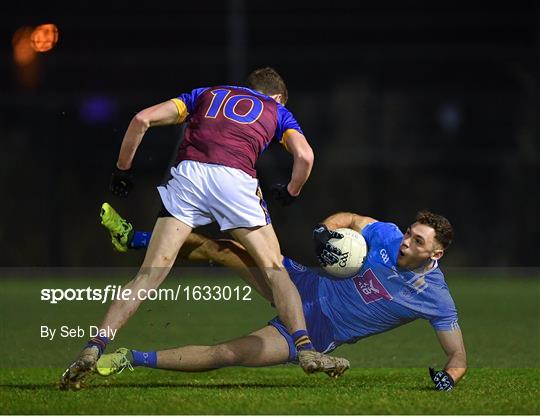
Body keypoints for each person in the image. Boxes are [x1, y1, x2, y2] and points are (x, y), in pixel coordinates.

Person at [60, 67, 348, 390]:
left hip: (190, 176)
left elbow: (141, 119)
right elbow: (305, 157)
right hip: (235, 180)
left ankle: (93, 347)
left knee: (148, 276)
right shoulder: (278, 110)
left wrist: (123, 170)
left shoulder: (205, 94)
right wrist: (292, 191)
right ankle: (306, 349)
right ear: (278, 96)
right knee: (274, 269)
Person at [97, 204, 467, 390]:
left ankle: (132, 358)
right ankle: (135, 239)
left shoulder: (435, 298)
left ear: (435, 254)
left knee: (227, 353)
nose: (406, 241)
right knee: (225, 248)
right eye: (409, 233)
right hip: (304, 283)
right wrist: (325, 230)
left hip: (319, 330)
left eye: (418, 241)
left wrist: (448, 379)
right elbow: (352, 219)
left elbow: (458, 357)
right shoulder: (387, 236)